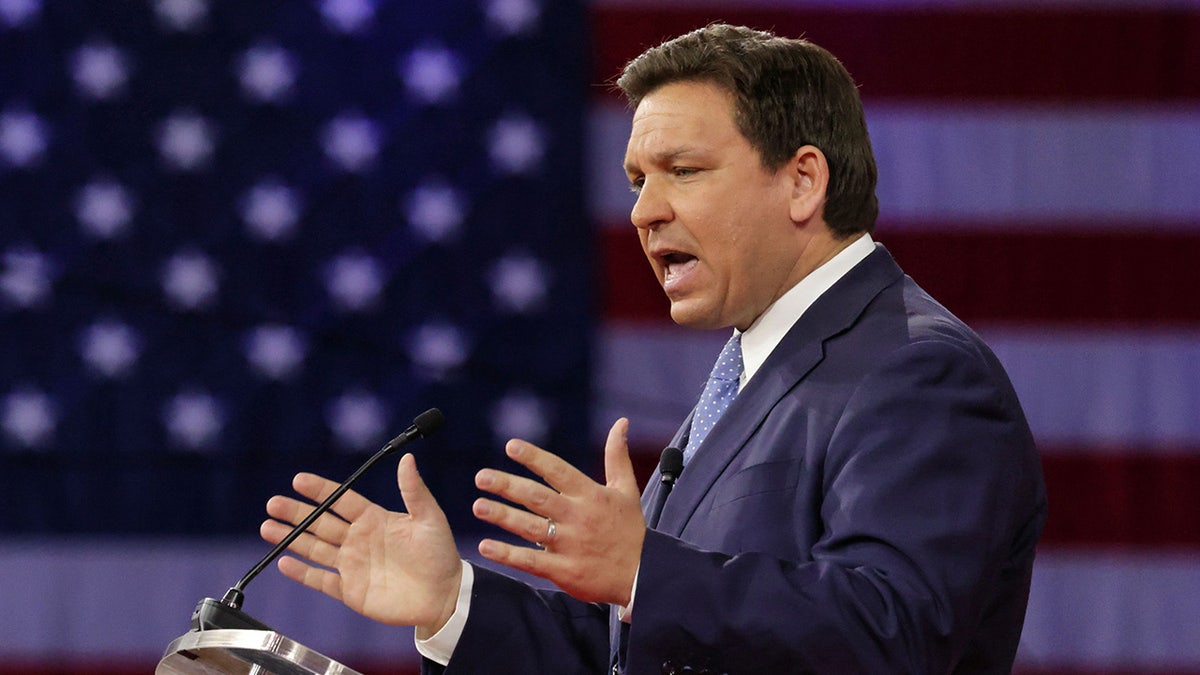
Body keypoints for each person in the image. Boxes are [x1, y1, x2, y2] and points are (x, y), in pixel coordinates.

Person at [261, 24, 1047, 674]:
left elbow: (891, 633)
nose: (644, 210)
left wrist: (646, 569)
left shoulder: (916, 370)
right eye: (638, 178)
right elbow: (634, 653)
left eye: (683, 170)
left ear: (803, 181)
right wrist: (452, 603)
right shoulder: (756, 371)